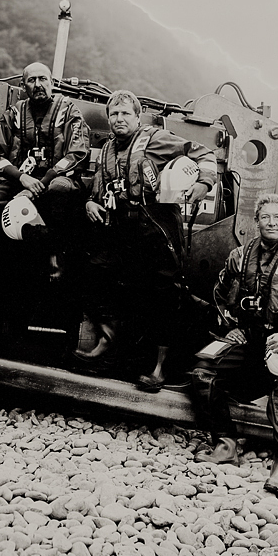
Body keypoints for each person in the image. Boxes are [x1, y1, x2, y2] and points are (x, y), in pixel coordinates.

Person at [77, 89, 217, 382]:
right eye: (114, 114)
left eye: (125, 113)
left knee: (163, 295)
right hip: (122, 232)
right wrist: (92, 201)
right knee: (96, 272)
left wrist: (204, 183)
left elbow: (204, 152)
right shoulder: (107, 150)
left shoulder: (155, 140)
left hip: (157, 227)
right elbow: (100, 187)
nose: (119, 119)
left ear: (137, 117)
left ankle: (160, 367)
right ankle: (109, 341)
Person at [191, 193, 278, 499]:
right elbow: (220, 290)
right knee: (203, 372)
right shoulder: (241, 255)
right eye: (265, 217)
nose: (271, 222)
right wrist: (231, 325)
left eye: (277, 217)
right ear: (257, 222)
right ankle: (225, 443)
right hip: (251, 339)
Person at [0, 62, 90, 301]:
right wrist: (22, 178)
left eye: (43, 79)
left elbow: (77, 154)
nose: (38, 85)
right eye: (32, 80)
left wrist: (43, 181)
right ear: (23, 85)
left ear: (52, 83)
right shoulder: (14, 114)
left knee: (59, 189)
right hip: (19, 180)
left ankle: (54, 257)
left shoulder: (69, 111)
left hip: (55, 179)